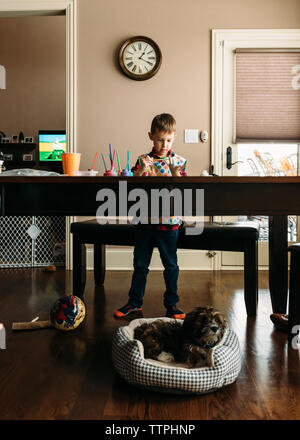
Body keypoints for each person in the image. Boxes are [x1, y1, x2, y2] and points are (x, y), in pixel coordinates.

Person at [114, 113, 187, 320]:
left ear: (174, 138)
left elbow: (182, 193)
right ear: (150, 136)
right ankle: (134, 303)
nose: (164, 144)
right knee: (140, 265)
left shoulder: (179, 162)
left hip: (169, 224)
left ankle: (172, 304)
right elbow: (130, 188)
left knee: (171, 265)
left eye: (168, 140)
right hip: (144, 224)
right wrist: (140, 172)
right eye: (159, 140)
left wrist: (174, 173)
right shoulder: (142, 161)